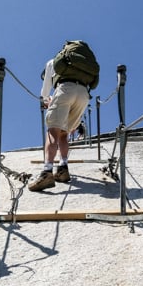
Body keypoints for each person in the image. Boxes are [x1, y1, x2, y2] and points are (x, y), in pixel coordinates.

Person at [28, 43, 98, 192]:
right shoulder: (80, 64)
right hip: (84, 95)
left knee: (53, 131)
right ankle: (63, 168)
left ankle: (47, 172)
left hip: (65, 89)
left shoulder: (51, 63)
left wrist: (47, 100)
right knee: (64, 133)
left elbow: (45, 91)